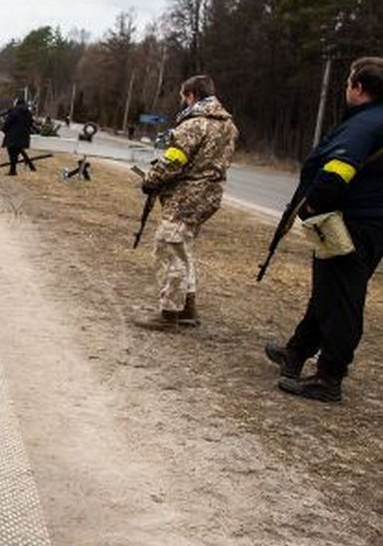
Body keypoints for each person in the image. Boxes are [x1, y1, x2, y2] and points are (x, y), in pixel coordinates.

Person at [266, 57, 383, 402]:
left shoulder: (365, 124)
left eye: (349, 82)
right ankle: (297, 351)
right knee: (328, 293)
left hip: (353, 224)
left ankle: (329, 376)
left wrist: (314, 204)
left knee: (343, 298)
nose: (346, 88)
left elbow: (338, 169)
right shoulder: (374, 120)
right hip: (369, 223)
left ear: (358, 88)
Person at [133, 75, 237, 331]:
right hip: (209, 196)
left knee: (168, 248)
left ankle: (169, 312)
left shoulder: (193, 125)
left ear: (191, 95)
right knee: (183, 247)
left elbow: (174, 160)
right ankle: (188, 307)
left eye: (184, 97)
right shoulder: (229, 126)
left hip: (187, 195)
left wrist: (151, 179)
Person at [1, 98, 36, 175]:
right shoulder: (28, 113)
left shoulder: (14, 111)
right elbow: (30, 124)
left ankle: (13, 170)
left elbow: (8, 122)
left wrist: (4, 129)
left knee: (12, 153)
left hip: (13, 135)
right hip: (24, 136)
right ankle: (14, 169)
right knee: (17, 152)